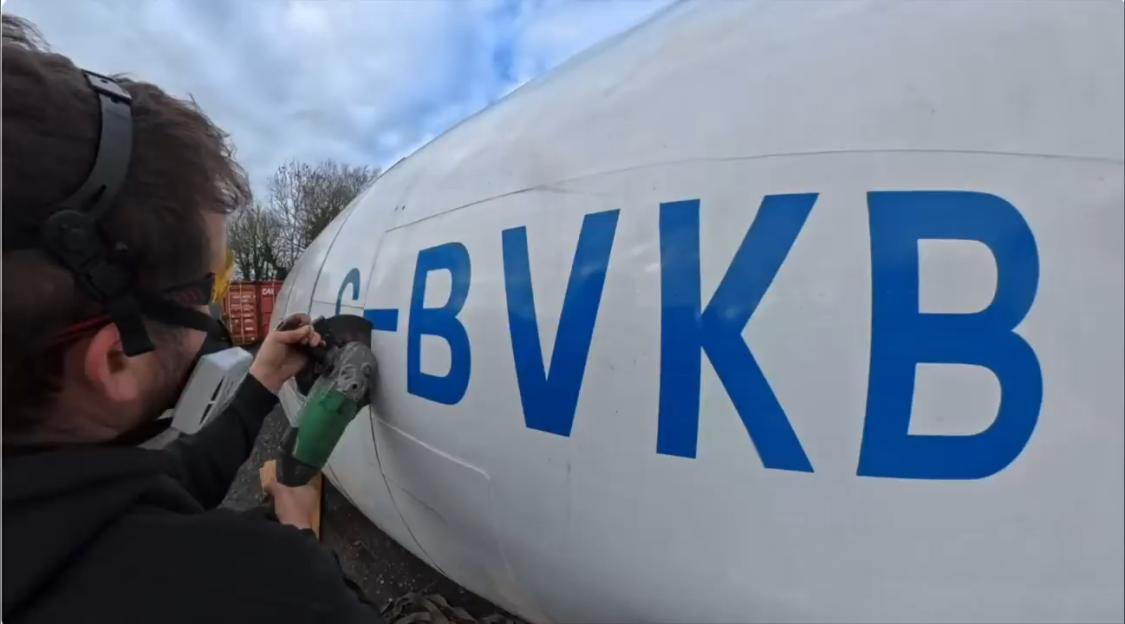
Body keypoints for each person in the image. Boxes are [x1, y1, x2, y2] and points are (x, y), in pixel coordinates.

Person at [2, 16, 381, 623]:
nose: (217, 306)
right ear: (117, 357)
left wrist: (260, 383)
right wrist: (297, 534)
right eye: (217, 281)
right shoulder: (258, 592)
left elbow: (160, 480)